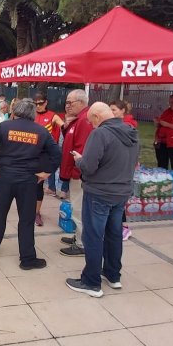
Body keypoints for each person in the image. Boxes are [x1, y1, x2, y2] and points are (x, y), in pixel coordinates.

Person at [65, 102, 139, 297]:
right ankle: (113, 275)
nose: (91, 126)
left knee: (93, 236)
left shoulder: (100, 134)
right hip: (121, 192)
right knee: (114, 234)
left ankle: (91, 282)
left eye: (91, 122)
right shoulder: (131, 132)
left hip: (99, 193)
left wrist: (79, 160)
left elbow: (89, 166)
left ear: (97, 117)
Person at [0, 99, 61, 269]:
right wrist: (47, 172)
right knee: (26, 219)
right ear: (33, 114)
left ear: (15, 112)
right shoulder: (40, 131)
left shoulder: (4, 127)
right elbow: (56, 153)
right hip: (28, 180)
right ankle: (27, 259)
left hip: (5, 177)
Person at [58, 89, 94, 256]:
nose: (67, 106)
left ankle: (82, 244)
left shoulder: (84, 121)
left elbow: (82, 149)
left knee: (79, 209)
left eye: (70, 102)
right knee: (76, 206)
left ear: (81, 102)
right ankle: (79, 237)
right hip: (73, 171)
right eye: (66, 102)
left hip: (78, 174)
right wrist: (66, 126)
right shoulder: (77, 120)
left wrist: (74, 172)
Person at [34, 92, 64, 226]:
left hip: (43, 155)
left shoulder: (52, 116)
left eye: (40, 103)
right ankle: (27, 209)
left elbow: (64, 126)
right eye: (35, 104)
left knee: (38, 186)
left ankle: (36, 213)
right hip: (29, 154)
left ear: (46, 102)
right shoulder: (31, 114)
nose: (38, 106)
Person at [109, 99, 137, 241]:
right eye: (110, 109)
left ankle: (124, 227)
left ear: (122, 111)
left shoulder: (127, 127)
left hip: (124, 167)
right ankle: (119, 226)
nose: (111, 112)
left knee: (119, 200)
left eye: (113, 109)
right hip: (119, 167)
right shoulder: (115, 126)